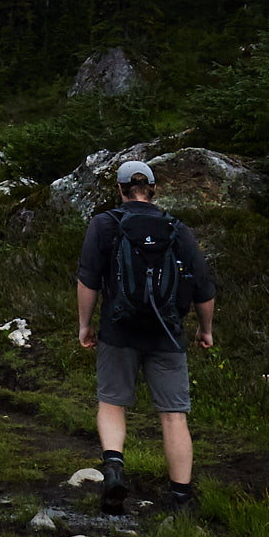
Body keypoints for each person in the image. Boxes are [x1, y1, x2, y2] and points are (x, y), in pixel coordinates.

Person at [75, 159, 216, 514]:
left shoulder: (105, 224)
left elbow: (88, 280)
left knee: (112, 403)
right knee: (173, 416)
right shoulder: (176, 228)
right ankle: (181, 500)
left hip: (118, 329)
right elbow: (203, 286)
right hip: (167, 332)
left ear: (120, 189)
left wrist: (85, 325)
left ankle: (114, 468)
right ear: (153, 189)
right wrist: (206, 329)